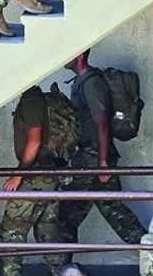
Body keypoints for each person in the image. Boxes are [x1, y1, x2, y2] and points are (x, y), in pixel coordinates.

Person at [60, 51, 145, 253]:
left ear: (80, 55)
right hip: (93, 155)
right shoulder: (82, 81)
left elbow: (102, 124)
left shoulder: (91, 83)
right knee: (114, 210)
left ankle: (61, 275)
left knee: (65, 217)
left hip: (92, 156)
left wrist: (103, 161)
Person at [0, 90, 78, 276]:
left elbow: (35, 140)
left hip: (35, 175)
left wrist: (18, 174)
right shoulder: (40, 99)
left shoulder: (30, 101)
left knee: (12, 229)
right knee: (47, 230)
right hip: (50, 175)